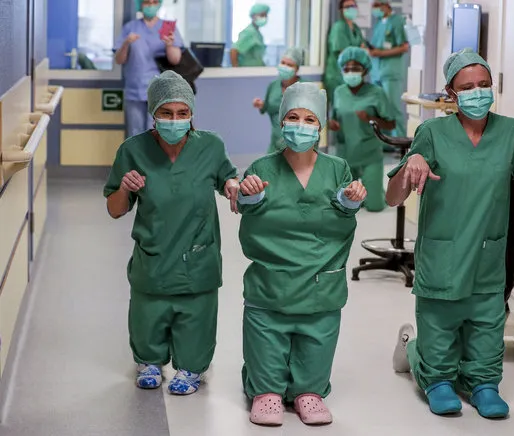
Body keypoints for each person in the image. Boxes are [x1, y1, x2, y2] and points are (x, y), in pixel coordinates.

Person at [387, 49, 514, 419]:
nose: (477, 92)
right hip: (443, 255)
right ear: (451, 92)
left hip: (488, 256)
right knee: (439, 342)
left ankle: (483, 383)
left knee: (486, 330)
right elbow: (394, 197)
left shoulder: (512, 132)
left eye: (484, 85)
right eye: (467, 87)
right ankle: (423, 362)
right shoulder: (431, 132)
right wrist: (409, 166)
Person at [237, 82, 367, 426]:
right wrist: (248, 196)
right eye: (293, 117)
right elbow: (246, 211)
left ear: (320, 127)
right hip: (271, 287)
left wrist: (350, 200)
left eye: (309, 119)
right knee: (267, 357)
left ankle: (309, 391)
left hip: (318, 287)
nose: (300, 125)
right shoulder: (261, 169)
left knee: (316, 345)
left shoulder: (338, 168)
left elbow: (342, 215)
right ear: (281, 123)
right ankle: (266, 391)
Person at [103, 71, 240, 396]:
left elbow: (227, 180)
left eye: (182, 113)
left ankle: (191, 367)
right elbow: (114, 209)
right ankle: (148, 361)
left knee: (197, 314)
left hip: (198, 255)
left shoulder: (211, 146)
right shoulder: (132, 151)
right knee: (148, 312)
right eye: (166, 113)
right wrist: (124, 187)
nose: (175, 120)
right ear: (154, 114)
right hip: (154, 255)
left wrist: (233, 185)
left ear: (192, 114)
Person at [329, 47, 394, 212]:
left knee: (375, 206)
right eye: (347, 69)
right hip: (345, 155)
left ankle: (376, 191)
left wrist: (371, 119)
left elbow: (391, 124)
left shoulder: (376, 93)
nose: (351, 72)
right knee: (344, 205)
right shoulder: (339, 92)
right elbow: (335, 118)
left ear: (365, 70)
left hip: (369, 154)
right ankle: (366, 190)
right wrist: (333, 124)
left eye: (356, 69)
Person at [115, 0, 184, 138]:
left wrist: (169, 45)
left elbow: (175, 60)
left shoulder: (167, 27)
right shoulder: (131, 28)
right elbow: (119, 60)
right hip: (135, 90)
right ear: (140, 4)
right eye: (147, 2)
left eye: (154, 2)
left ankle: (155, 160)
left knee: (157, 133)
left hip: (160, 92)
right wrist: (126, 43)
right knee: (135, 135)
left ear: (159, 4)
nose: (150, 5)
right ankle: (136, 160)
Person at [253, 47, 305, 154]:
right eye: (283, 63)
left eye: (290, 65)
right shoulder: (273, 86)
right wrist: (261, 105)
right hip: (275, 145)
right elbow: (267, 107)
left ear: (297, 69)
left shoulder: (306, 88)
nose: (285, 67)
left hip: (298, 146)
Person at [369, 0, 409, 137]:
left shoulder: (397, 21)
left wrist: (380, 53)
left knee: (392, 107)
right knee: (381, 109)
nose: (375, 9)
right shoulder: (379, 23)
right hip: (377, 72)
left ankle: (399, 142)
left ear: (386, 5)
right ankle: (384, 140)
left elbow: (404, 47)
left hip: (391, 72)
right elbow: (376, 46)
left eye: (377, 5)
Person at [323, 0, 366, 106]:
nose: (351, 8)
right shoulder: (339, 27)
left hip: (353, 76)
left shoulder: (356, 29)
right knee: (339, 109)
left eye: (353, 6)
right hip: (337, 76)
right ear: (341, 10)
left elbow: (363, 48)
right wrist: (359, 53)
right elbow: (344, 54)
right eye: (347, 7)